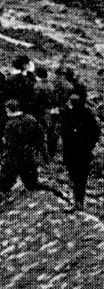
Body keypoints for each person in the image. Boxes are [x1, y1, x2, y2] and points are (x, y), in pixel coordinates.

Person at [0, 97, 47, 218]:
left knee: (2, 183)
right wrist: (35, 149)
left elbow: (10, 145)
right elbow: (40, 136)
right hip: (28, 157)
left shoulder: (10, 125)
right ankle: (49, 187)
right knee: (31, 182)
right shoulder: (31, 119)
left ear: (8, 110)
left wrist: (4, 156)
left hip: (13, 159)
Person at [60, 82, 99, 214]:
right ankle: (78, 202)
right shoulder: (84, 114)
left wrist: (87, 145)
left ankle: (78, 203)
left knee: (78, 179)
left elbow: (94, 133)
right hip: (77, 151)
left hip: (77, 152)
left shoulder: (75, 114)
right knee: (77, 178)